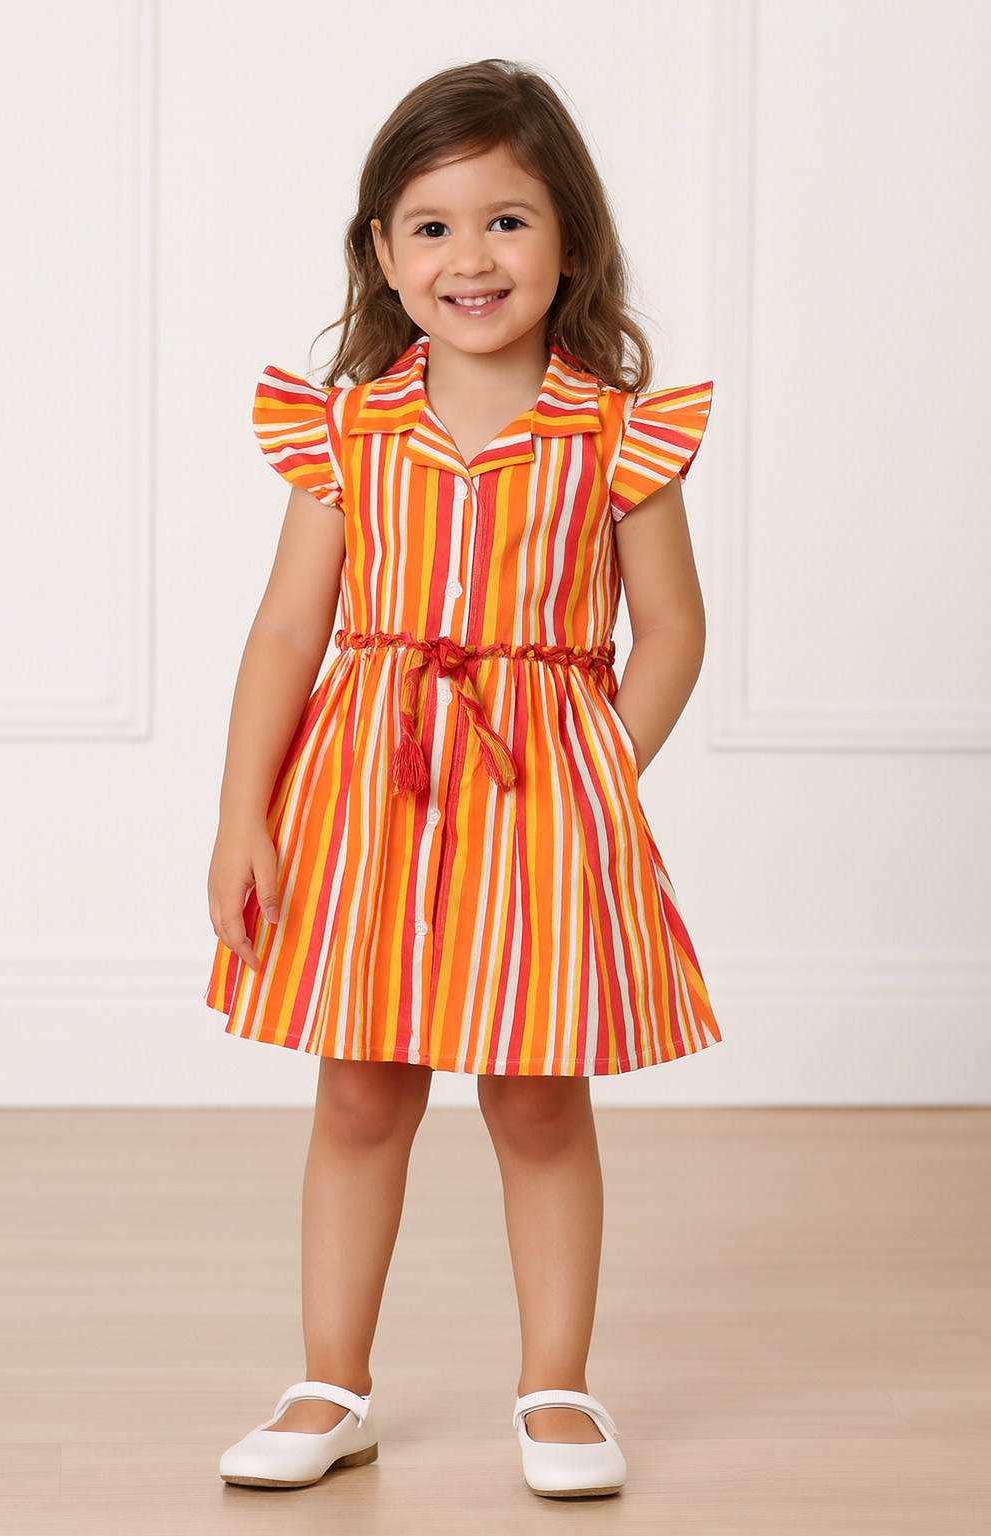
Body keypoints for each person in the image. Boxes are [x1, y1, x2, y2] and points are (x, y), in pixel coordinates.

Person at [206, 57, 720, 1500]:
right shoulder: (349, 429)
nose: (470, 258)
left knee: (537, 1097)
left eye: (507, 220)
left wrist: (598, 772)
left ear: (570, 242)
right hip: (367, 796)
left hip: (543, 801)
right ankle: (332, 1384)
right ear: (382, 252)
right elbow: (286, 629)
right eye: (431, 227)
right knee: (362, 1092)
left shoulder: (615, 435)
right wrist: (240, 813)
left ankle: (557, 1386)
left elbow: (672, 630)